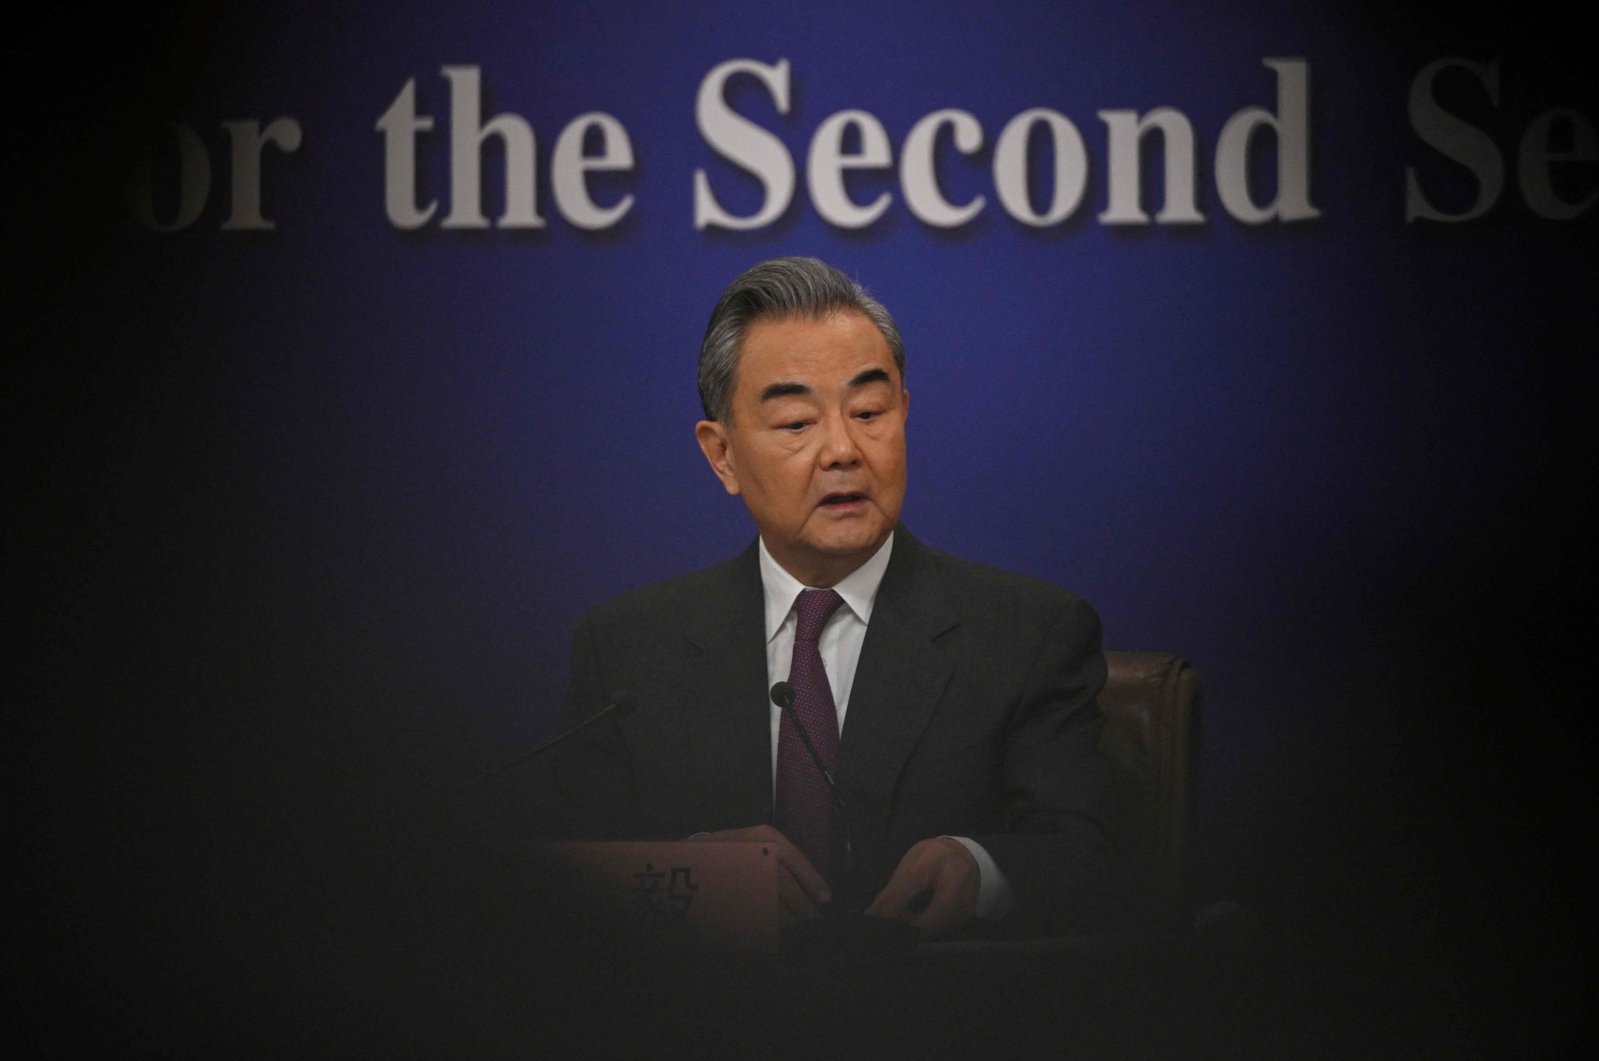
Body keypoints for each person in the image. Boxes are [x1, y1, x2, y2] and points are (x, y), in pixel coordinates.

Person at [542, 256, 1119, 939]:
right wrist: (687, 872)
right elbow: (559, 883)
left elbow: (1091, 858)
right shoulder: (626, 649)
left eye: (868, 411)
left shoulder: (1031, 634)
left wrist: (980, 866)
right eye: (795, 423)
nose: (842, 449)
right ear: (721, 454)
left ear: (903, 412)